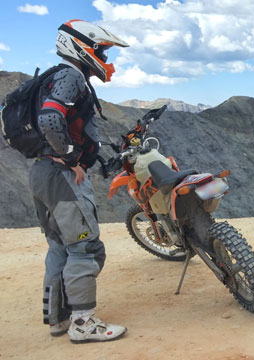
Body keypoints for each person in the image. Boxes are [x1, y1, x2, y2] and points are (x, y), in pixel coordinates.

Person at [30, 19, 129, 343]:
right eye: (101, 49)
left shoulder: (53, 77)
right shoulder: (71, 75)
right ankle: (83, 322)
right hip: (61, 178)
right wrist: (71, 158)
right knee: (85, 248)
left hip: (43, 174)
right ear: (83, 47)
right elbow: (49, 118)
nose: (104, 56)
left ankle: (58, 319)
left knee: (60, 247)